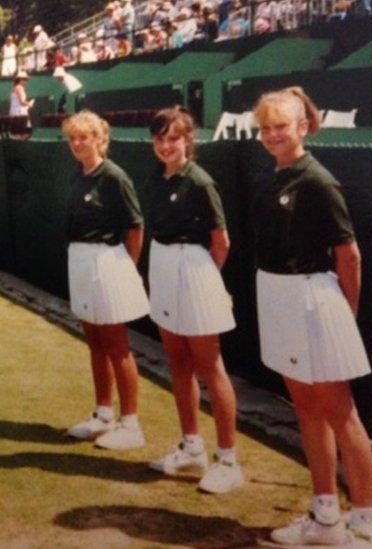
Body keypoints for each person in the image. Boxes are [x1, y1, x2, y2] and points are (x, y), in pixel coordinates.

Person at [252, 87, 372, 546]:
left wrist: (344, 314)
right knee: (306, 410)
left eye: (280, 126)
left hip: (315, 299)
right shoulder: (271, 178)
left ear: (303, 127)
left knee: (341, 413)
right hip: (278, 296)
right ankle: (326, 515)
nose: (271, 135)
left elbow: (351, 256)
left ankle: (365, 524)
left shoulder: (318, 180)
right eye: (264, 128)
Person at [144, 106, 243, 494]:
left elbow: (222, 243)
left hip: (196, 269)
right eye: (160, 139)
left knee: (210, 365)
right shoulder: (155, 177)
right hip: (163, 265)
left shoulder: (200, 182)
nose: (166, 146)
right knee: (178, 361)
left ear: (188, 140)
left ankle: (229, 459)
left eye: (174, 138)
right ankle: (192, 448)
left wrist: (207, 284)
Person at [61, 111, 149, 450]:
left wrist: (126, 269)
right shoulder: (77, 176)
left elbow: (136, 227)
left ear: (100, 139)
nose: (78, 143)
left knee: (116, 345)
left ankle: (131, 424)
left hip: (108, 262)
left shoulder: (114, 177)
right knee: (95, 342)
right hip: (80, 260)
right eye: (73, 138)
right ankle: (103, 414)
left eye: (85, 137)